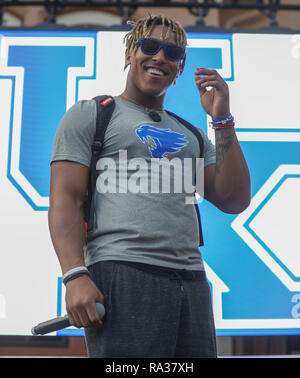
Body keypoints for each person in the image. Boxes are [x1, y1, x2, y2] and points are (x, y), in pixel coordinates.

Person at [49, 14, 251, 358]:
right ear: (130, 53)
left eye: (172, 53)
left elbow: (234, 199)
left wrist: (221, 119)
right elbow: (66, 200)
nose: (160, 57)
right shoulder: (92, 114)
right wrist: (73, 275)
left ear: (180, 68)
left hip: (190, 277)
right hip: (122, 271)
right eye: (150, 46)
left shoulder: (190, 134)